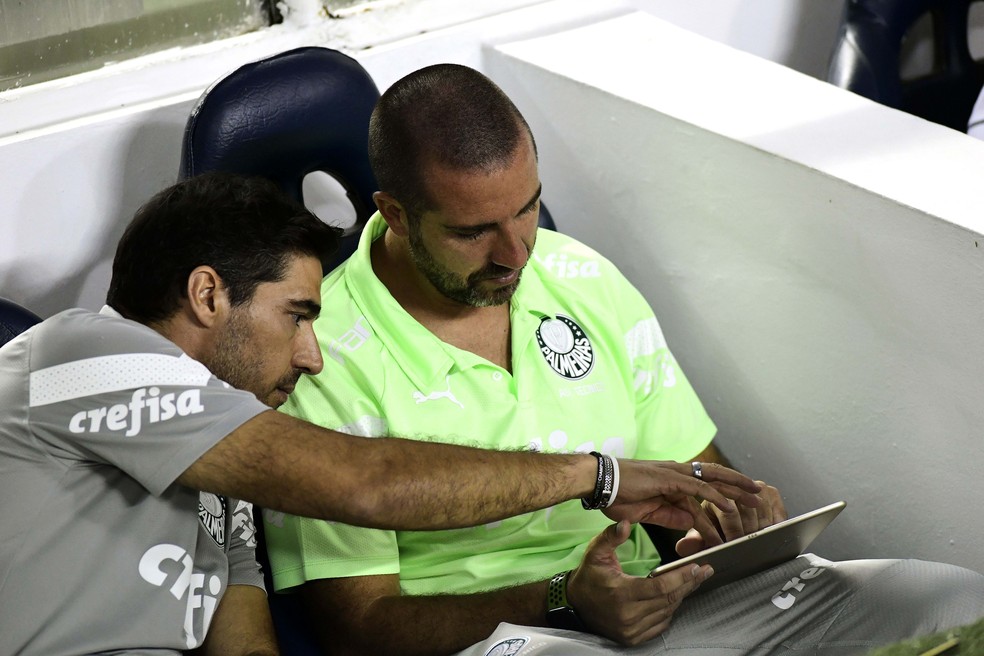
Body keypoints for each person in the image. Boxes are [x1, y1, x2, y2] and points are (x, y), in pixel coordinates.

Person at [264, 64, 984, 655]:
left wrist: (731, 523)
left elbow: (692, 474)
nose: (517, 253)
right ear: (392, 212)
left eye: (527, 210)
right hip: (516, 641)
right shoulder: (317, 356)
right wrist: (561, 601)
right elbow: (358, 628)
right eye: (474, 231)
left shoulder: (580, 278)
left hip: (668, 615)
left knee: (950, 601)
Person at [0, 172, 766, 656]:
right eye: (296, 317)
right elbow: (363, 484)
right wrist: (592, 477)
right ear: (207, 296)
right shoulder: (77, 354)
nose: (312, 355)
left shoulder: (223, 472)